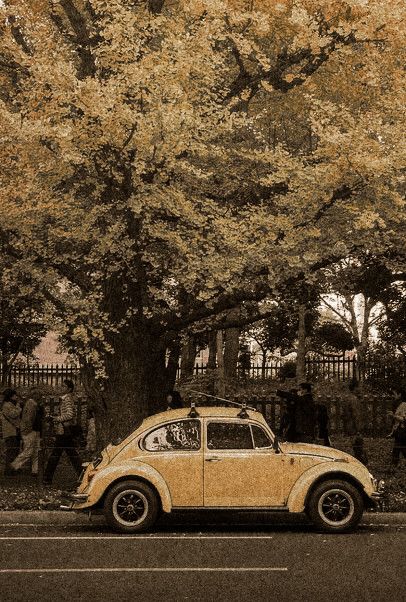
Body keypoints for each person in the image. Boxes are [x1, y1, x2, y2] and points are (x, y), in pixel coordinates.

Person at [43, 379, 82, 485]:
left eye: (64, 386)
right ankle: (82, 475)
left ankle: (47, 478)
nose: (61, 387)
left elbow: (70, 415)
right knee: (72, 455)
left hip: (65, 431)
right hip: (64, 431)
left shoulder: (67, 399)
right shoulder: (65, 399)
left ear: (69, 389)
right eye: (61, 386)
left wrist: (57, 419)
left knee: (56, 454)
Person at [10, 388, 43, 476]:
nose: (41, 397)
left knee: (35, 451)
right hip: (31, 431)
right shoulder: (31, 404)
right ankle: (14, 466)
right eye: (40, 395)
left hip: (35, 430)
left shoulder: (33, 404)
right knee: (28, 451)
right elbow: (28, 419)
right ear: (35, 395)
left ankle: (35, 470)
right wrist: (28, 430)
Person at [1, 389, 22, 476]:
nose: (16, 397)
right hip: (10, 431)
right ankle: (8, 471)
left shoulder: (10, 404)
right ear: (10, 396)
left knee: (15, 450)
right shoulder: (6, 405)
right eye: (14, 395)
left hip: (15, 430)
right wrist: (18, 407)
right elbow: (13, 415)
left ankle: (13, 469)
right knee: (11, 451)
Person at [387, 388, 406, 467]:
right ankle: (394, 464)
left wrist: (393, 416)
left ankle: (394, 464)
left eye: (394, 394)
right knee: (399, 447)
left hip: (403, 429)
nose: (393, 396)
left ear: (399, 395)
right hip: (399, 430)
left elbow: (404, 419)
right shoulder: (398, 404)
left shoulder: (404, 405)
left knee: (399, 447)